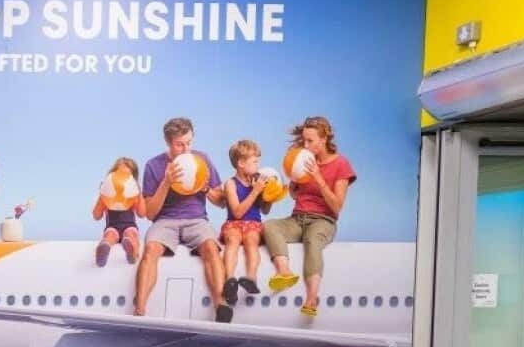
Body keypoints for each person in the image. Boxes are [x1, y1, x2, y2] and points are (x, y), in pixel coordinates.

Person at [133, 118, 232, 323]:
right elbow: (150, 214)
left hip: (196, 219)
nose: (186, 149)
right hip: (165, 220)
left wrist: (205, 188)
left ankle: (220, 306)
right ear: (168, 143)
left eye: (189, 142)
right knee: (150, 250)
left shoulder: (201, 159)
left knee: (211, 248)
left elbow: (221, 202)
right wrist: (166, 182)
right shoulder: (153, 165)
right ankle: (140, 310)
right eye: (180, 144)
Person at [263, 116, 357, 317]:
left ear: (323, 140)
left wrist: (318, 177)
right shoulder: (303, 160)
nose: (305, 145)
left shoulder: (341, 164)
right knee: (270, 226)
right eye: (303, 140)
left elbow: (337, 207)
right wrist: (293, 184)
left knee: (312, 240)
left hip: (323, 220)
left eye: (310, 141)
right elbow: (297, 195)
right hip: (298, 218)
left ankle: (312, 299)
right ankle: (285, 272)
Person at [220, 140, 271, 305]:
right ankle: (229, 281)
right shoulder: (230, 184)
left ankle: (251, 278)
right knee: (232, 241)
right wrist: (255, 192)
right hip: (234, 223)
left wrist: (269, 196)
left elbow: (265, 210)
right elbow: (237, 212)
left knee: (251, 242)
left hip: (253, 224)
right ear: (241, 163)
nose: (258, 165)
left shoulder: (258, 183)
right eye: (255, 161)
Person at [92, 157, 147, 266]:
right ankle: (103, 249)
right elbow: (96, 215)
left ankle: (131, 253)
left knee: (130, 235)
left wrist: (139, 193)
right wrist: (103, 194)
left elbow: (141, 213)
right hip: (112, 227)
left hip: (129, 226)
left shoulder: (132, 195)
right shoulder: (107, 195)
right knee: (110, 236)